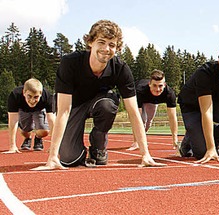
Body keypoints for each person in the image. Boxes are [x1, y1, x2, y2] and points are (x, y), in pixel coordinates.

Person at [33, 20, 165, 170]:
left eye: (112, 45)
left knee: (107, 105)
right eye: (101, 42)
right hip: (74, 106)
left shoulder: (121, 69)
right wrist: (52, 157)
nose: (106, 49)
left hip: (100, 103)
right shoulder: (70, 63)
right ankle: (79, 153)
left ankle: (98, 147)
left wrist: (145, 154)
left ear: (117, 48)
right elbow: (63, 110)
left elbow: (134, 112)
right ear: (90, 42)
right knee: (69, 159)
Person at [127, 69, 179, 151]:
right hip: (140, 99)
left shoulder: (169, 93)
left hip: (153, 102)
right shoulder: (140, 90)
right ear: (149, 84)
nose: (157, 89)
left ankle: (141, 137)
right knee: (142, 120)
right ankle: (137, 141)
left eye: (160, 86)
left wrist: (175, 140)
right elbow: (136, 117)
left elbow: (172, 117)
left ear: (164, 85)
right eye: (154, 85)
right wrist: (136, 141)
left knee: (148, 123)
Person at [4, 78, 56, 153]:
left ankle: (38, 138)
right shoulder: (15, 95)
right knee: (25, 130)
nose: (32, 100)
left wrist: (54, 147)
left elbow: (52, 120)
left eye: (36, 97)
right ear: (24, 92)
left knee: (45, 131)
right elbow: (13, 120)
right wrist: (12, 146)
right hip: (23, 110)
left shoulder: (47, 96)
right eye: (29, 96)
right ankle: (27, 138)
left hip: (39, 109)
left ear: (41, 94)